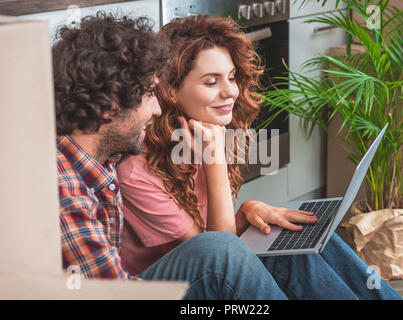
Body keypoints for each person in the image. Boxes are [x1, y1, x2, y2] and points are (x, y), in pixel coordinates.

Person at [117, 15, 402, 300]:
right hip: (173, 290)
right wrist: (215, 162)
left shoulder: (205, 134)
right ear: (171, 92)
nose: (230, 92)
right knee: (273, 243)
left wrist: (246, 210)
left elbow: (218, 233)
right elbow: (216, 257)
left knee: (291, 231)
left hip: (212, 259)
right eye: (210, 82)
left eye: (230, 77)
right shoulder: (137, 172)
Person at [53, 12, 299, 298]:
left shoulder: (104, 160)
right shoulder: (69, 193)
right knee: (222, 252)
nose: (157, 108)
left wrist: (244, 214)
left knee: (290, 239)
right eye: (147, 94)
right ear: (109, 107)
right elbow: (118, 294)